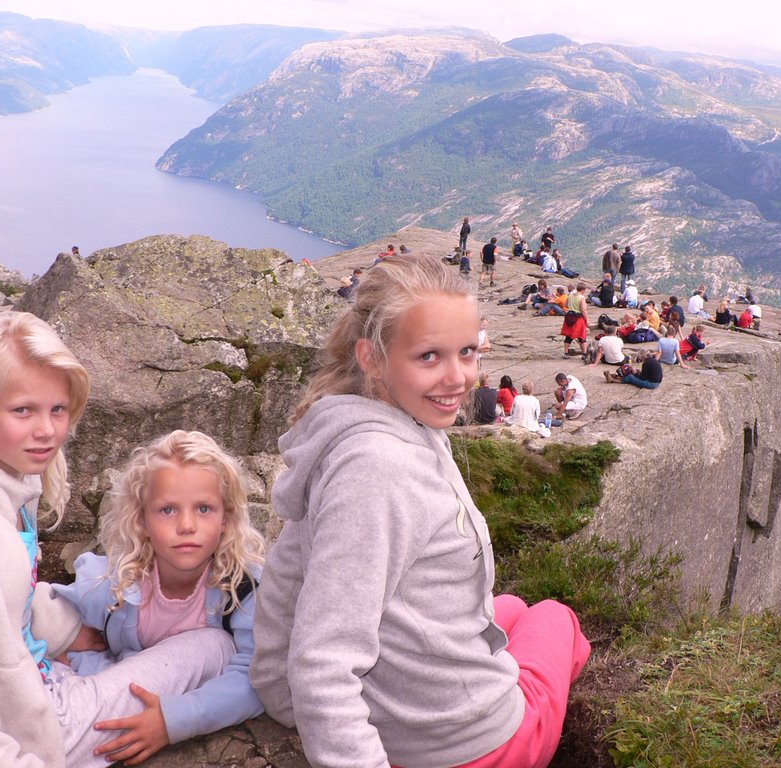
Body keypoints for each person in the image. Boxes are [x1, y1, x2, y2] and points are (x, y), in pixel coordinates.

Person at [250, 256, 590, 768]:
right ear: (372, 357)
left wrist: (277, 691)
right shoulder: (378, 469)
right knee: (555, 617)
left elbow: (290, 573)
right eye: (429, 356)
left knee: (512, 608)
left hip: (407, 707)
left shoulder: (364, 427)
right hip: (465, 747)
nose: (458, 378)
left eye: (468, 352)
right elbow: (324, 661)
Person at [0, 312, 236, 768]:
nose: (47, 430)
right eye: (23, 410)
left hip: (29, 688)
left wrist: (62, 630)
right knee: (213, 647)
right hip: (29, 731)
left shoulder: (11, 482)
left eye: (57, 409)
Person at [52, 430, 267, 762]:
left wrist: (177, 719)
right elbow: (50, 612)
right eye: (167, 510)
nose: (186, 525)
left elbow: (255, 680)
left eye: (204, 509)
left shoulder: (242, 588)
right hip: (116, 684)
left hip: (181, 685)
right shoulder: (117, 581)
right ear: (141, 521)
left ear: (226, 518)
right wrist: (66, 639)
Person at [561, 283, 589, 358]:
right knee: (581, 336)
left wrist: (571, 306)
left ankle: (565, 353)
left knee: (568, 336)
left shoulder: (570, 295)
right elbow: (583, 310)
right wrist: (587, 319)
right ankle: (584, 354)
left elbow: (565, 305)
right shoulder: (581, 297)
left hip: (569, 316)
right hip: (578, 318)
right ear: (583, 290)